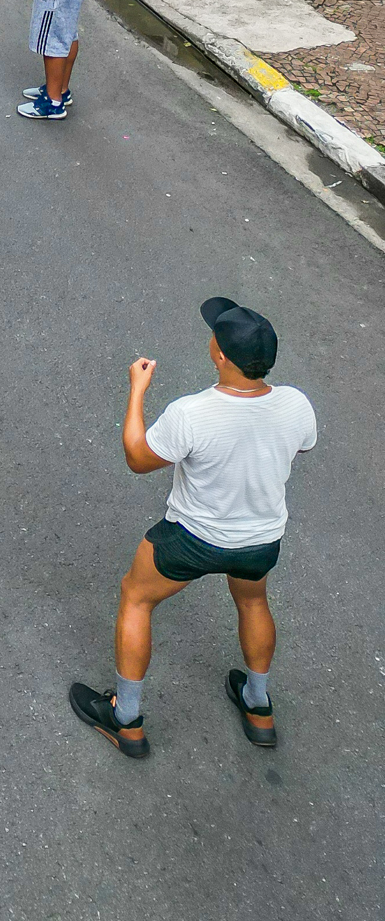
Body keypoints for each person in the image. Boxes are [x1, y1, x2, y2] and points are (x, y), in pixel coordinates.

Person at [69, 299, 316, 762]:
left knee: (136, 596)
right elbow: (299, 447)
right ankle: (258, 705)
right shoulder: (297, 404)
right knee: (253, 600)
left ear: (219, 355)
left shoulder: (193, 413)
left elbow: (138, 459)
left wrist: (137, 390)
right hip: (260, 541)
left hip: (192, 541)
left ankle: (126, 719)